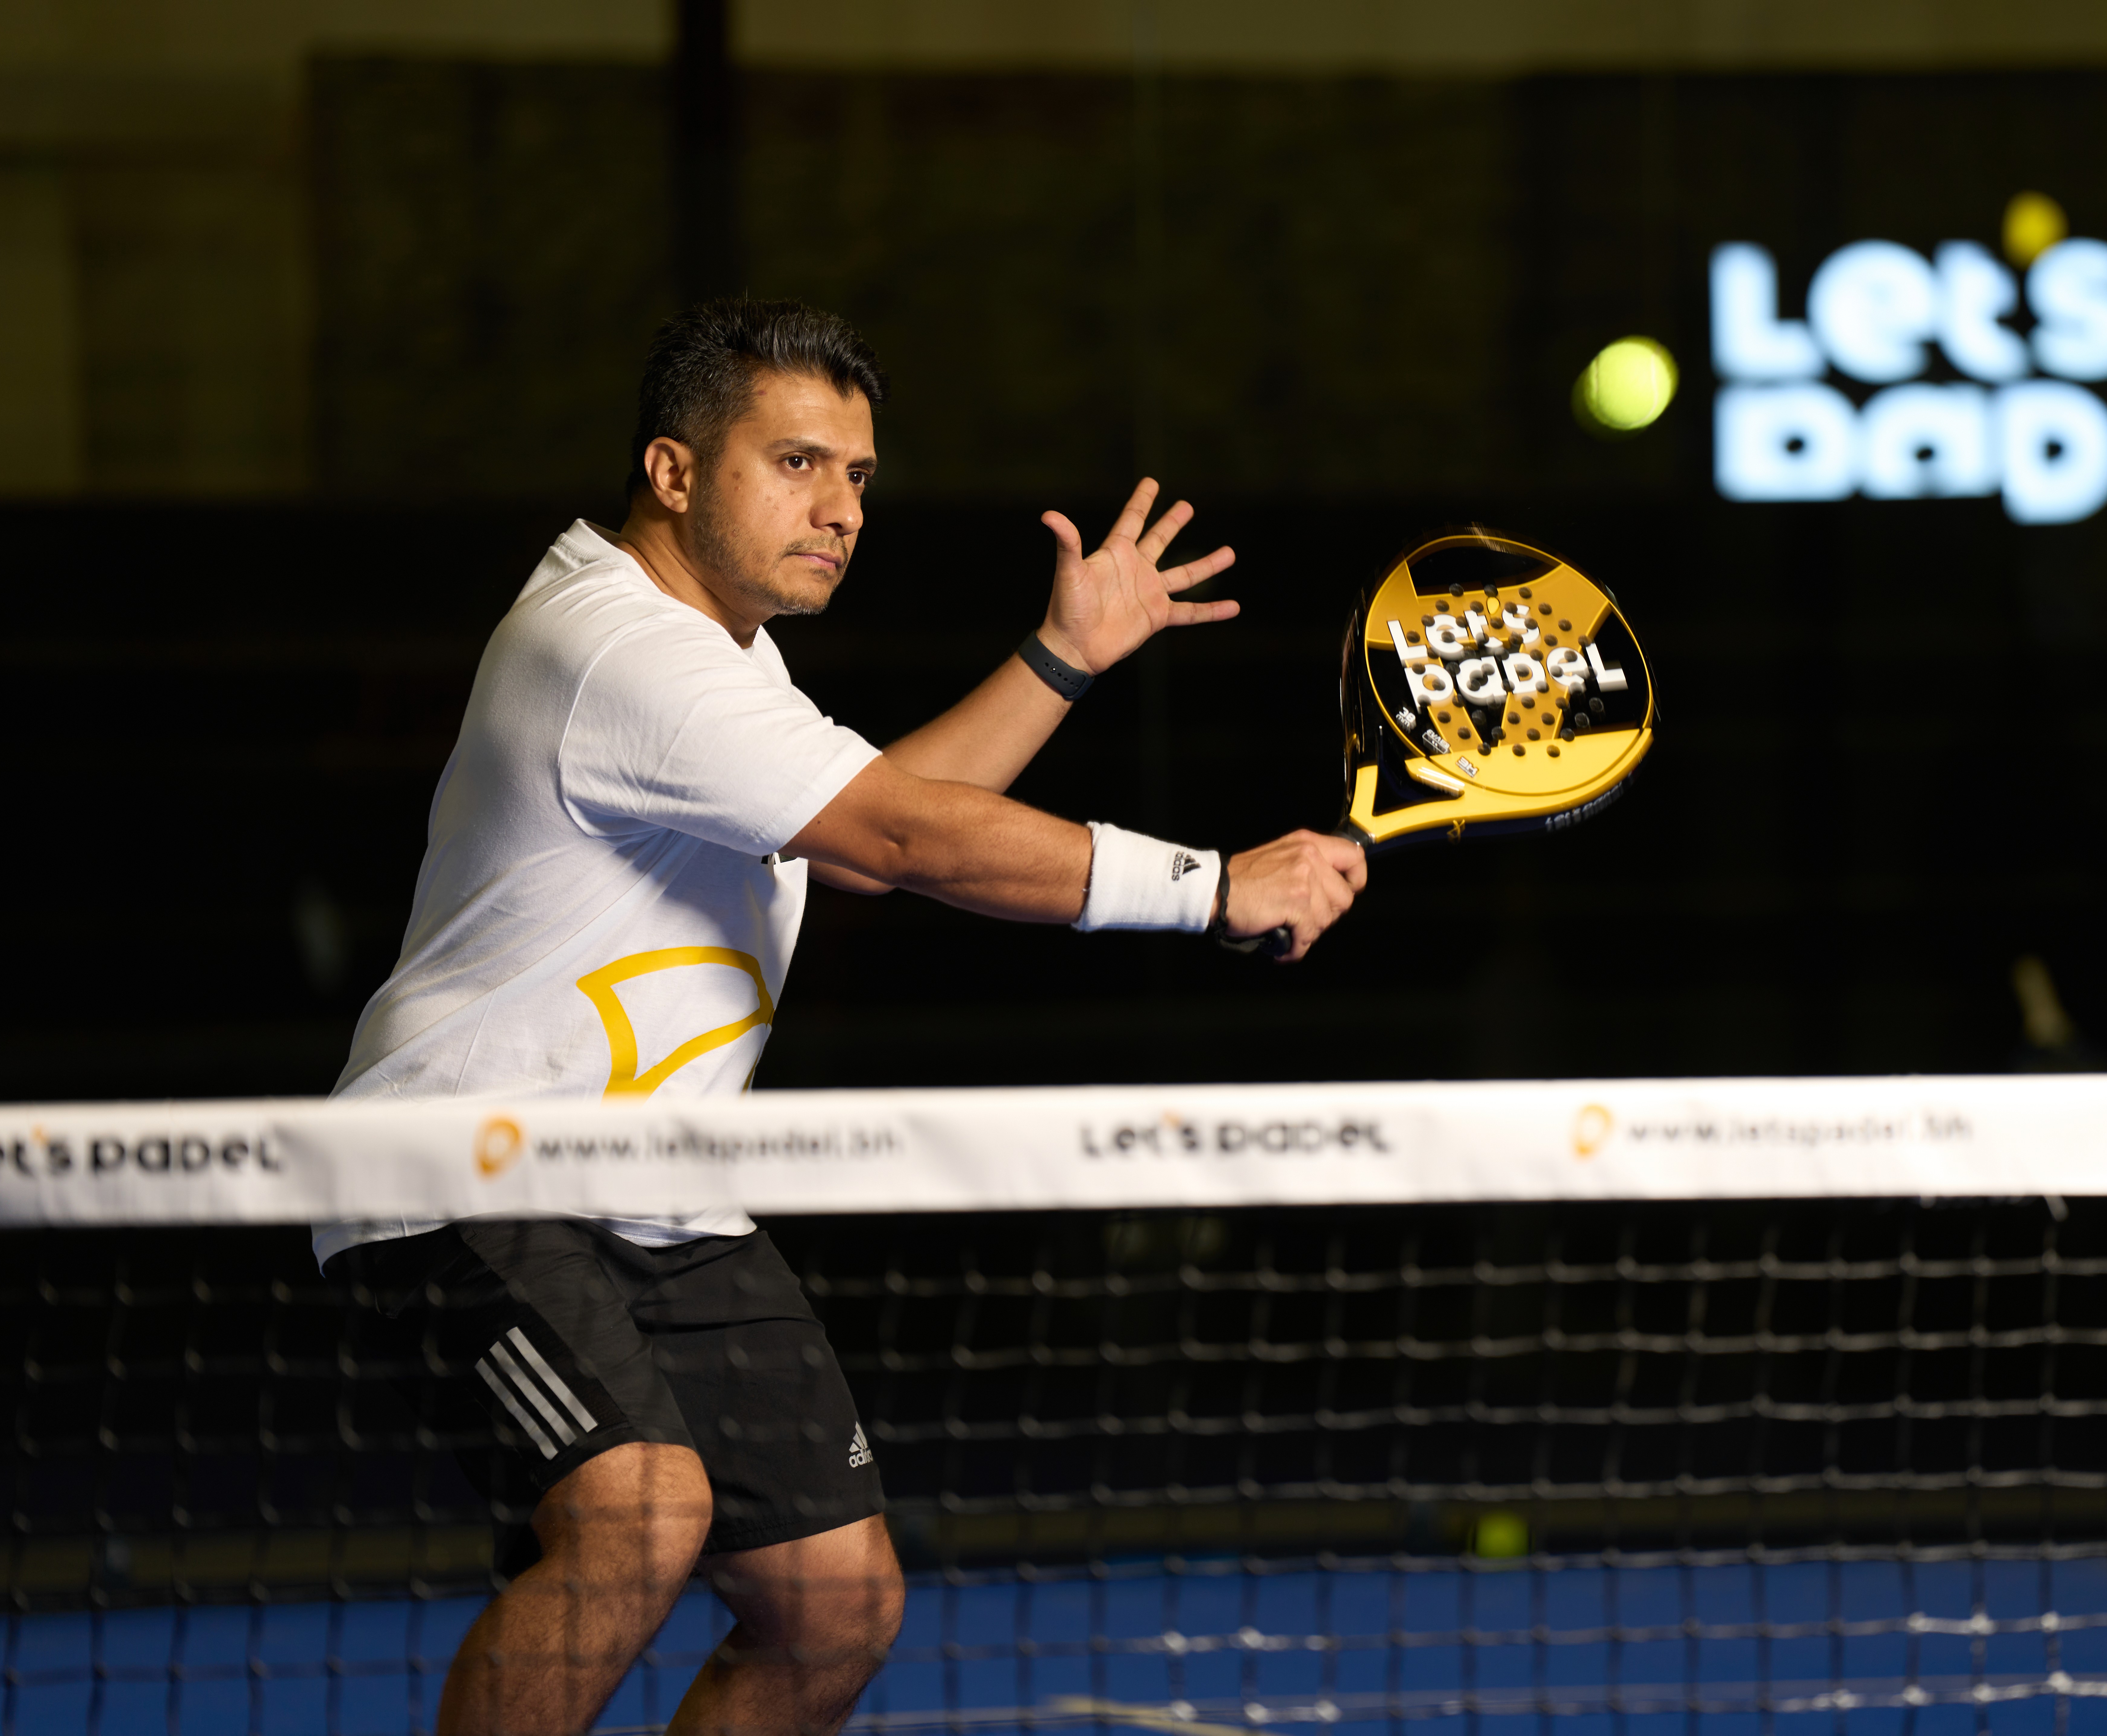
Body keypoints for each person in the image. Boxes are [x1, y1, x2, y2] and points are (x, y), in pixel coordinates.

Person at [317, 298, 1368, 1736]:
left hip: (654, 1199)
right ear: (675, 470)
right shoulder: (618, 651)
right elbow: (902, 844)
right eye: (797, 463)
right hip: (457, 1174)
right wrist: (1211, 887)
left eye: (859, 477)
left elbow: (871, 822)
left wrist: (1059, 660)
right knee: (636, 1518)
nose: (840, 508)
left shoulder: (729, 657)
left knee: (835, 1606)